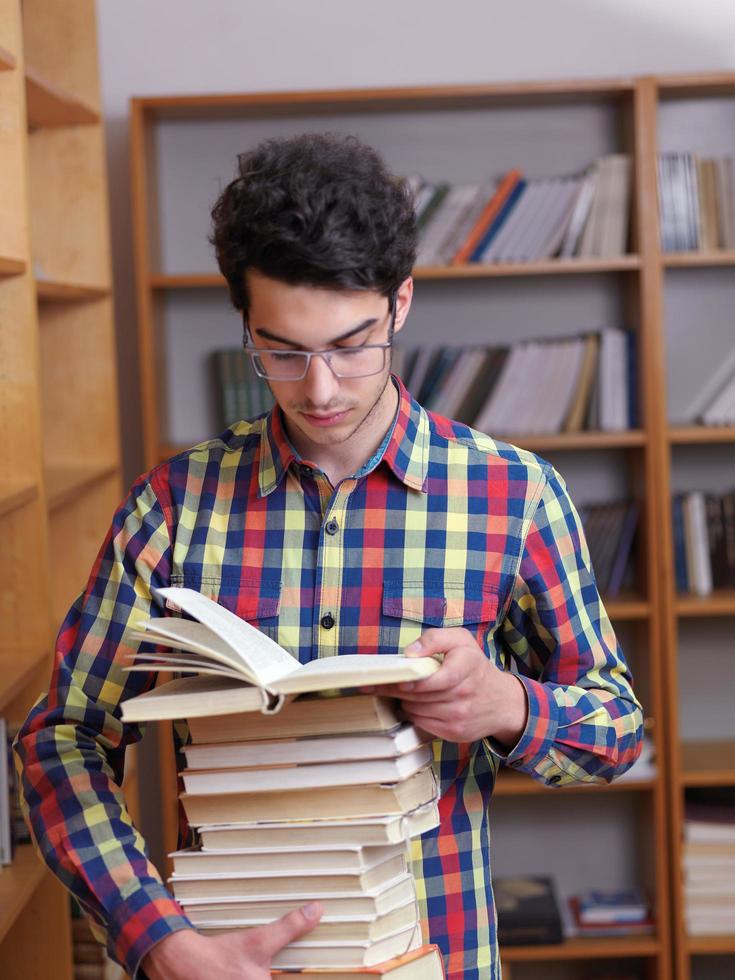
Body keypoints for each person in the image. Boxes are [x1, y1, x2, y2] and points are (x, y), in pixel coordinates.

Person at [15, 132, 643, 980]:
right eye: (281, 350)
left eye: (352, 346)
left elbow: (615, 731)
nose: (319, 389)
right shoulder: (171, 508)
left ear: (401, 305)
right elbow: (62, 739)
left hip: (440, 958)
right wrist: (158, 941)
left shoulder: (514, 494)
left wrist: (507, 703)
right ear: (245, 321)